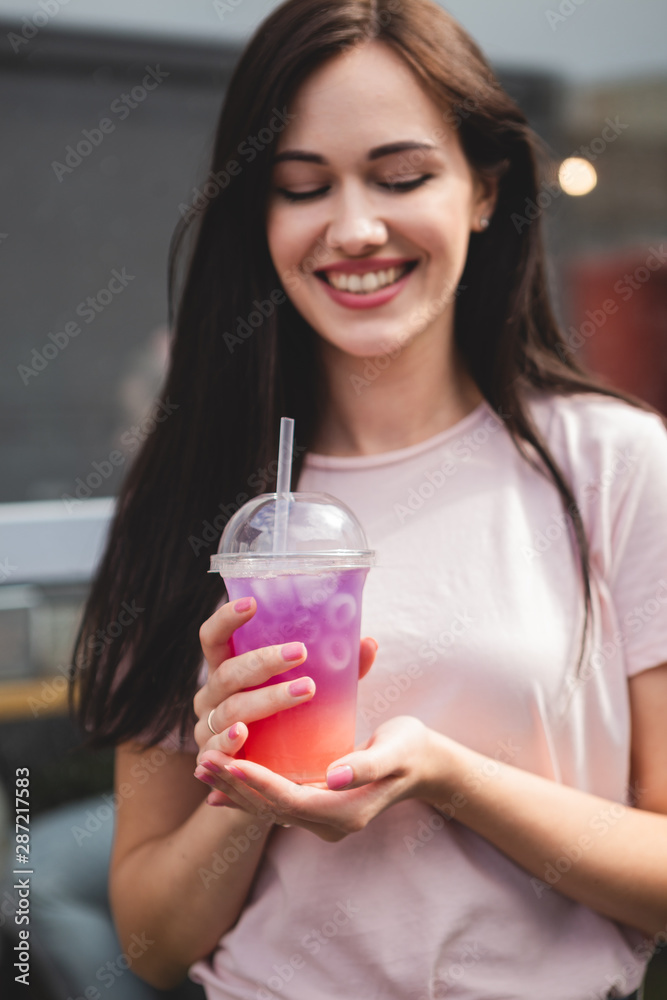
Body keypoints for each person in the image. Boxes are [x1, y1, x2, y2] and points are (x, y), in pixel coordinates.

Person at [70, 1, 667, 998]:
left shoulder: (614, 463)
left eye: (400, 177)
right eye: (301, 187)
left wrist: (448, 776)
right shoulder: (189, 492)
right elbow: (150, 945)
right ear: (257, 218)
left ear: (482, 188)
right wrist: (252, 789)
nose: (353, 228)